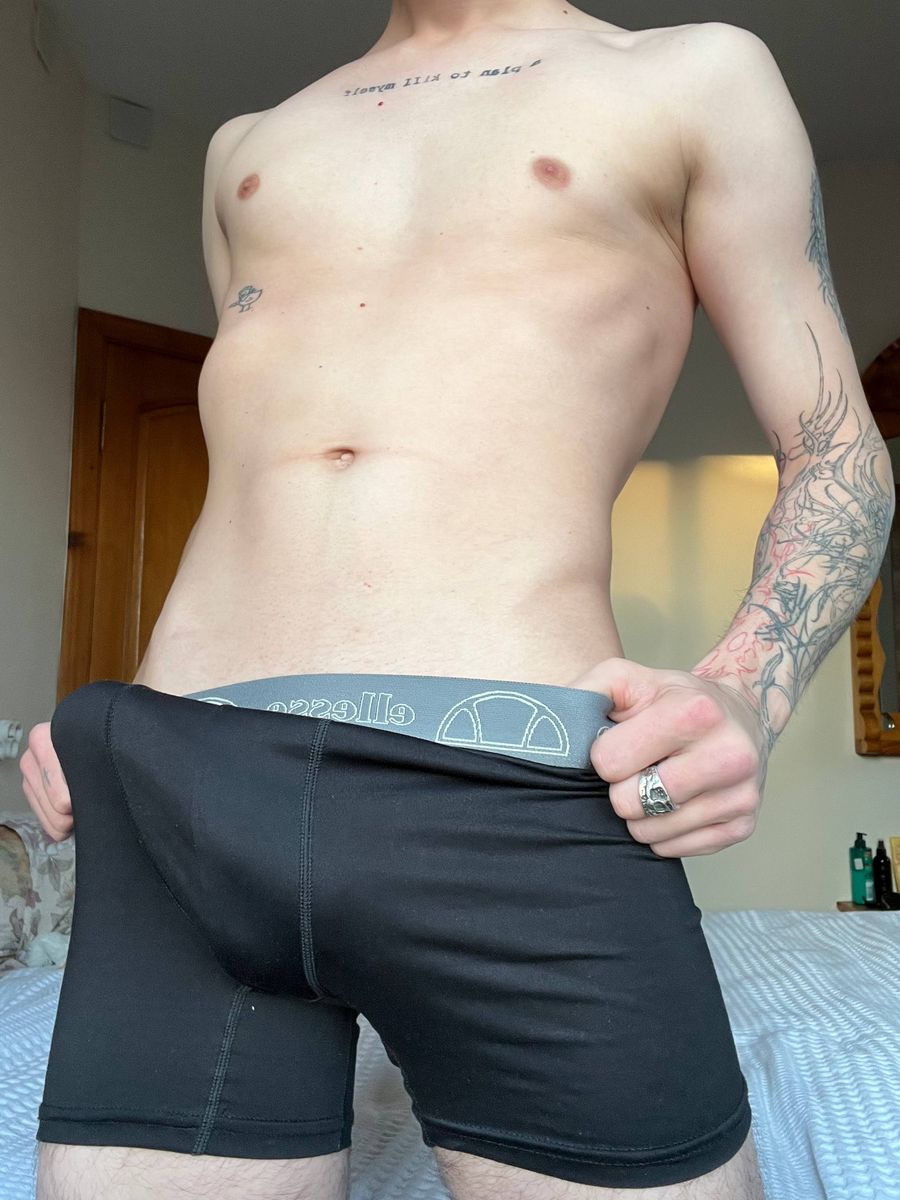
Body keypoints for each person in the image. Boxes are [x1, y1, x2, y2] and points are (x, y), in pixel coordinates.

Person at [21, 1, 893, 1198]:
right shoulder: (246, 147)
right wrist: (121, 720)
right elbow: (269, 480)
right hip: (178, 793)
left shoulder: (697, 76)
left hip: (510, 779)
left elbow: (836, 447)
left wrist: (748, 687)